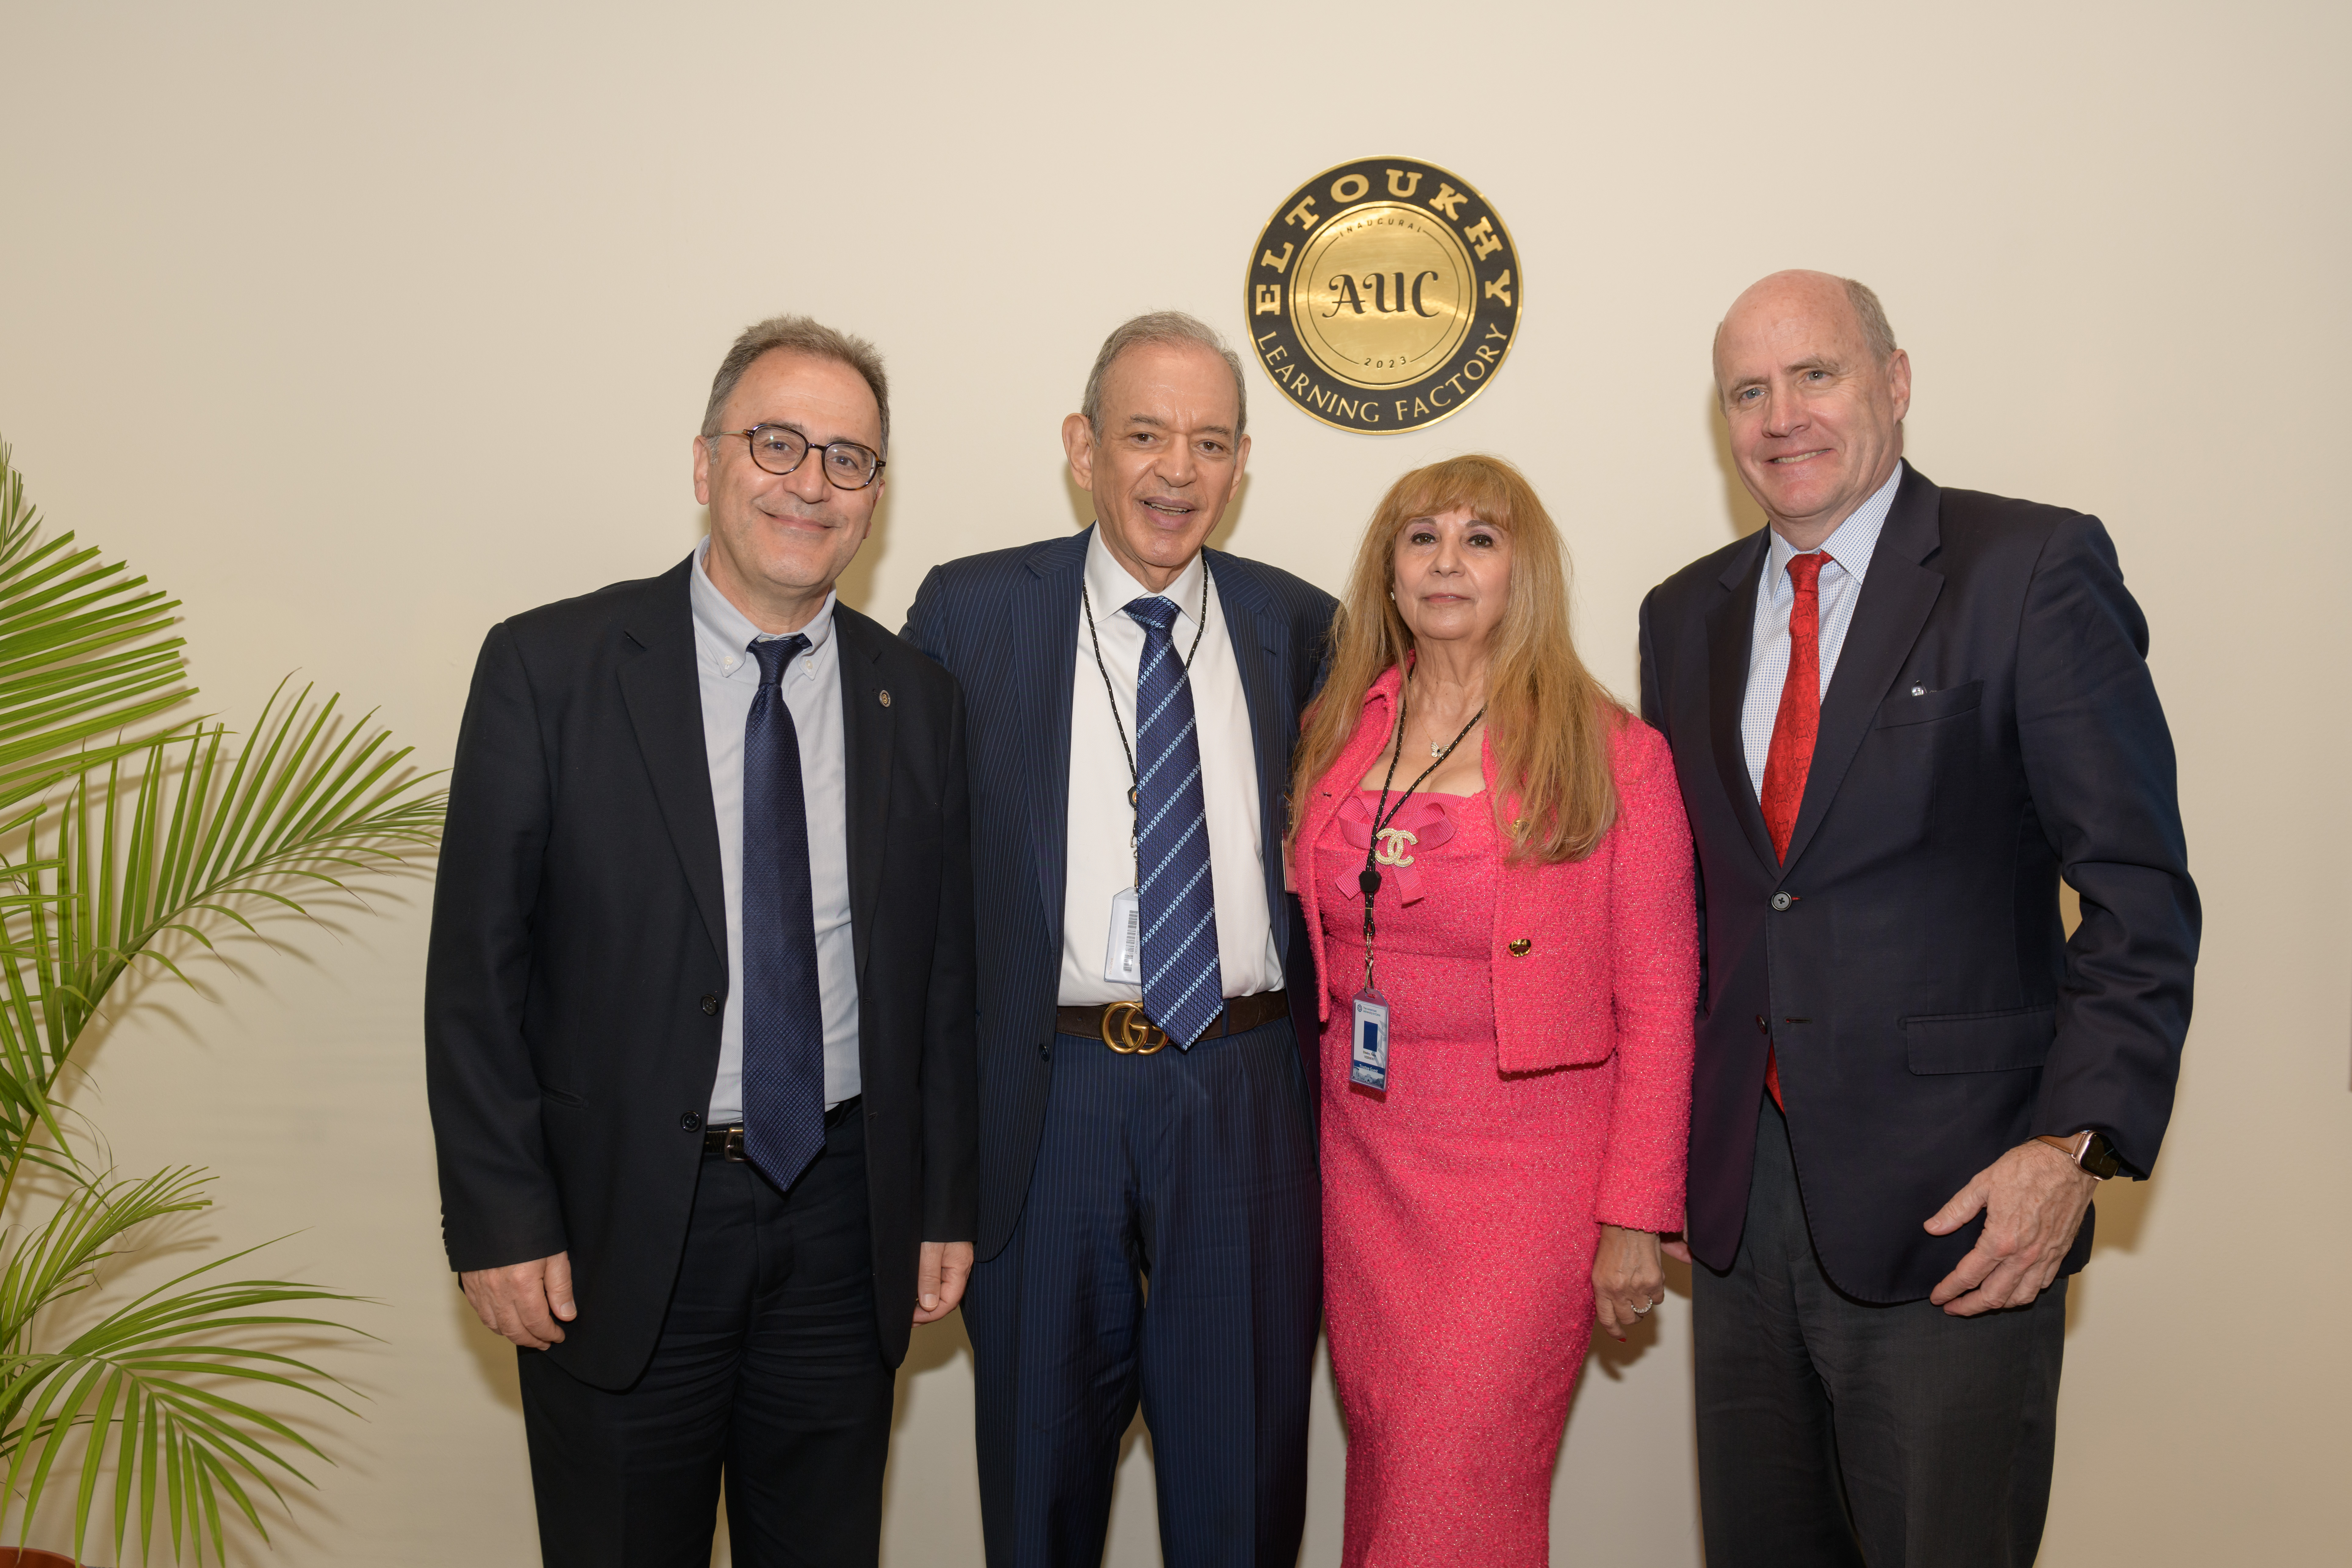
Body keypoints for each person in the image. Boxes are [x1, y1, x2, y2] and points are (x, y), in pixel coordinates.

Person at [1639, 271, 2199, 1567]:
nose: (1782, 416)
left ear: (1893, 381)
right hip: (1739, 1205)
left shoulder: (2028, 567)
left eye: (1815, 375)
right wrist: (1657, 1150)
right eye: (1747, 390)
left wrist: (2071, 1147)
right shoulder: (1683, 615)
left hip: (1964, 1203)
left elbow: (2137, 885)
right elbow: (1698, 910)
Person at [424, 315, 977, 1568]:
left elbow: (937, 977)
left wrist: (942, 1195)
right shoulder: (549, 668)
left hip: (842, 1223)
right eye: (776, 442)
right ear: (704, 461)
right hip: (621, 1229)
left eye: (848, 459)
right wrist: (500, 1217)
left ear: (875, 499)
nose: (809, 482)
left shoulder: (916, 701)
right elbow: (476, 977)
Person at [902, 311, 1336, 1568]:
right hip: (1047, 1099)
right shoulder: (970, 609)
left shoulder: (1298, 624)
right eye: (1144, 434)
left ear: (1242, 463)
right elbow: (912, 896)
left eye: (1208, 441)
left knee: (1240, 1482)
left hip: (1243, 1092)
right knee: (1039, 1478)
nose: (1175, 470)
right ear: (1080, 445)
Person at [1286, 454, 1696, 1567]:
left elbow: (1663, 999)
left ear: (1527, 570)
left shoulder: (1615, 755)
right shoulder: (1338, 726)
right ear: (1388, 569)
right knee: (1390, 1462)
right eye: (1421, 537)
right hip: (1361, 1158)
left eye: (1481, 537)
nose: (1448, 561)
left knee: (1455, 1483)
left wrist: (1634, 1217)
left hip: (1530, 1177)